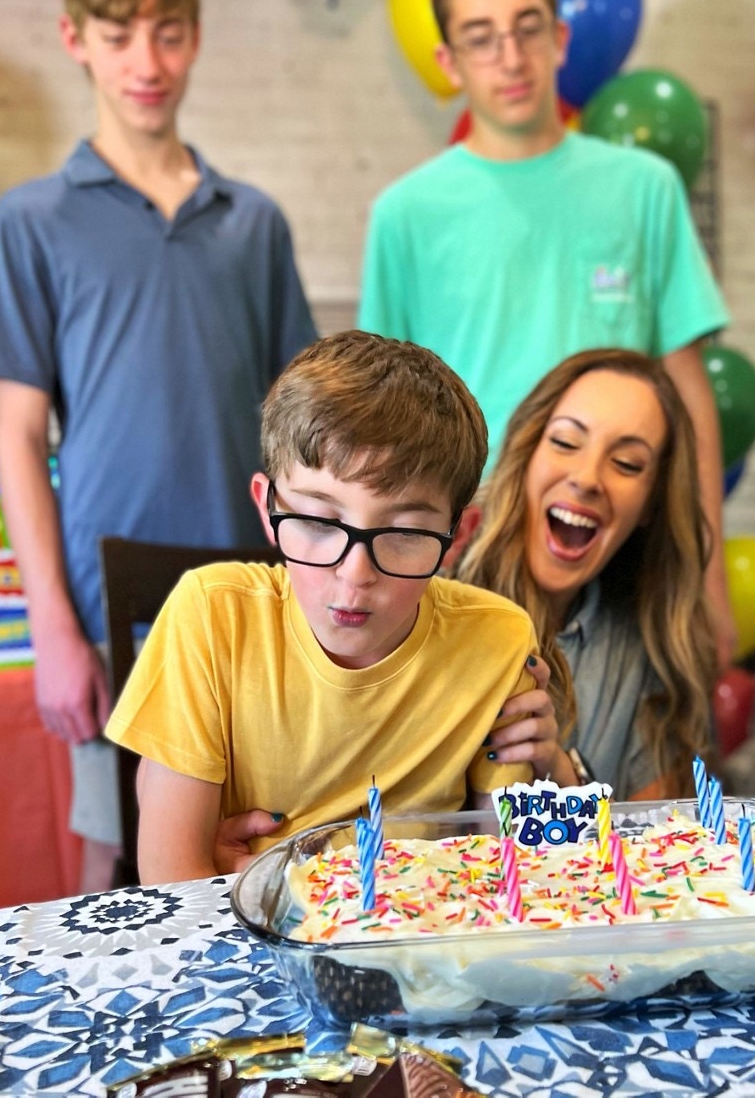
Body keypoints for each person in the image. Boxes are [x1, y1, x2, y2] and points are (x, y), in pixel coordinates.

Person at [0, 0, 315, 892]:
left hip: (254, 589)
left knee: (257, 841)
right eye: (117, 35)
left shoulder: (255, 223)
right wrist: (53, 629)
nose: (145, 62)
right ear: (75, 40)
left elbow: (304, 430)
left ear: (195, 37)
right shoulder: (30, 222)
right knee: (114, 856)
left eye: (166, 32)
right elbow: (19, 439)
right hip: (108, 601)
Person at [358, 0, 737, 668]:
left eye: (527, 27)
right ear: (449, 60)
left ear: (560, 36)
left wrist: (709, 577)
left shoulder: (645, 190)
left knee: (646, 776)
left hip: (630, 553)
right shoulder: (406, 214)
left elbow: (689, 397)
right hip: (468, 560)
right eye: (482, 36)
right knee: (484, 780)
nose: (511, 56)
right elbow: (384, 429)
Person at [103, 331, 559, 882]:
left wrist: (554, 773)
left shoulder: (498, 640)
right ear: (269, 510)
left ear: (457, 537)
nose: (355, 573)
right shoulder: (212, 616)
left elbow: (510, 871)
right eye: (319, 523)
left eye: (405, 532)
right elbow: (173, 881)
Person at [464, 349, 718, 801]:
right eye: (565, 442)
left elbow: (656, 847)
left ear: (650, 505)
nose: (586, 478)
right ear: (527, 453)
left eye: (627, 463)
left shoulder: (648, 650)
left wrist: (563, 775)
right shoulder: (431, 592)